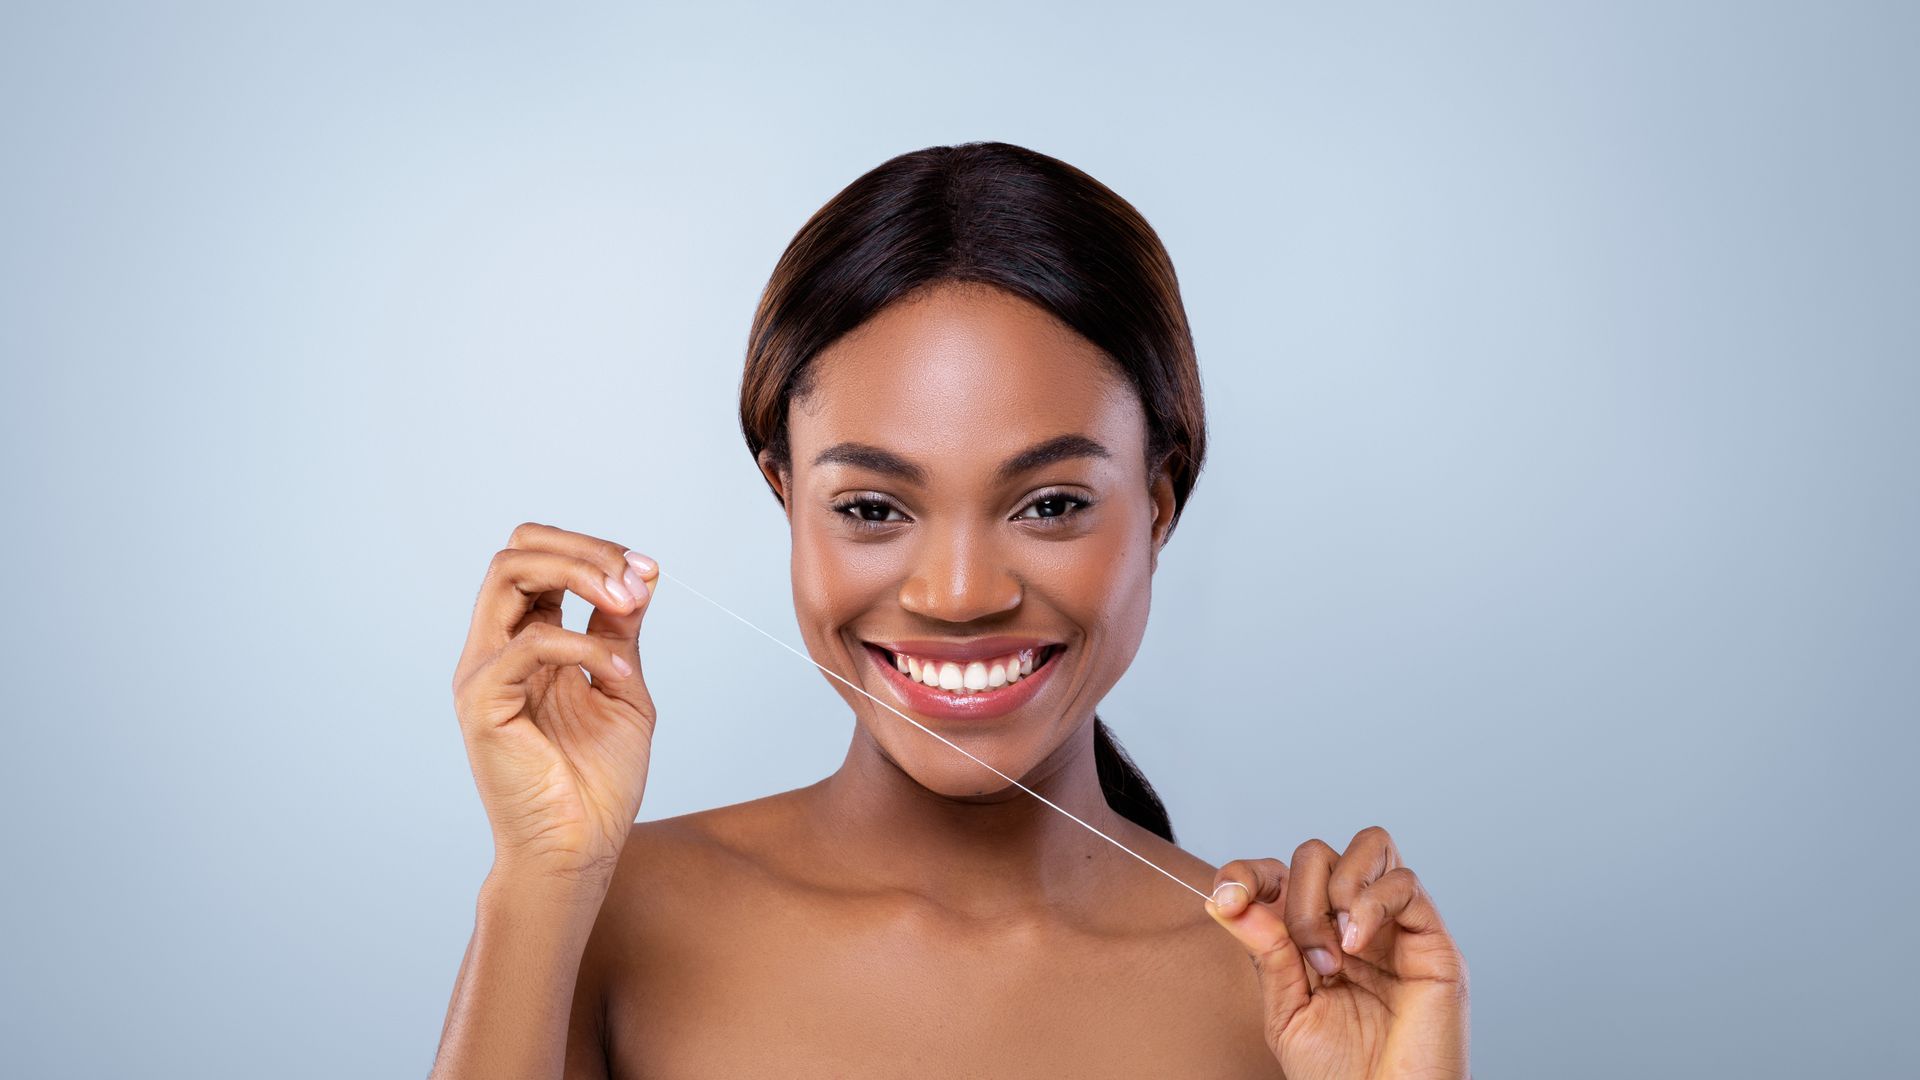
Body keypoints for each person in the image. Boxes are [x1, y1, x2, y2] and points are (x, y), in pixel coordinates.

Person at [433, 141, 1470, 1078]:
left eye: (1051, 504)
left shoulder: (1294, 1002)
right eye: (873, 508)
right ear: (786, 498)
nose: (960, 595)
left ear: (1156, 509)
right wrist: (540, 880)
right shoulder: (601, 917)